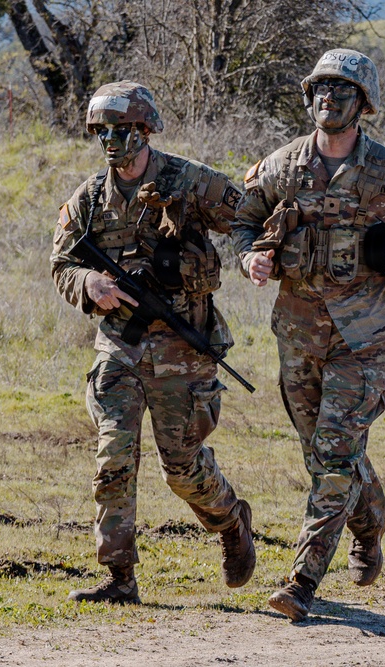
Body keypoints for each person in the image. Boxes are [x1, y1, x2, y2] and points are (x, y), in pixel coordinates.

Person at [232, 49, 385, 621]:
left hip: (363, 335)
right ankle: (371, 517)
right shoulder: (281, 166)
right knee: (323, 452)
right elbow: (242, 218)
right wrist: (248, 258)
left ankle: (302, 580)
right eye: (320, 90)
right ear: (308, 98)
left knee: (334, 452)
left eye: (341, 91)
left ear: (363, 104)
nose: (328, 99)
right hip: (298, 334)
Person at [51, 81, 255, 604]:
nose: (112, 143)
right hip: (119, 347)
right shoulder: (89, 200)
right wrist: (88, 285)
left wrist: (260, 256)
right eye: (103, 133)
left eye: (122, 132)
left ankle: (231, 520)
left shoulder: (188, 180)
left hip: (183, 352)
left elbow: (248, 219)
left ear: (145, 131)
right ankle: (119, 578)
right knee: (112, 456)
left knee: (182, 468)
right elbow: (62, 264)